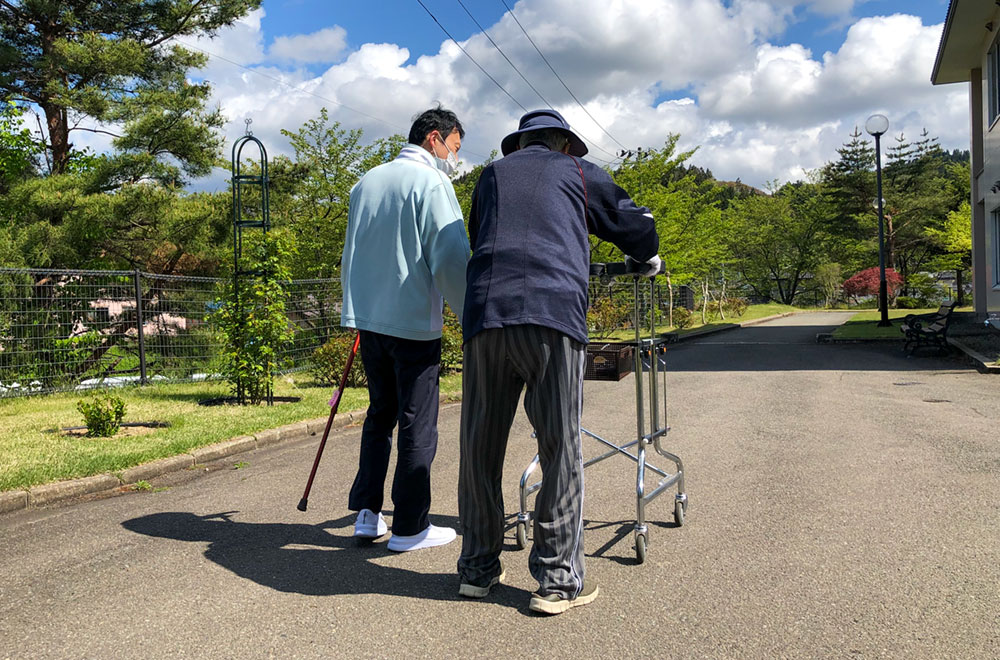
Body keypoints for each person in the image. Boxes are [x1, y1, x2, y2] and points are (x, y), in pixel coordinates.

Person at [456, 109, 661, 613]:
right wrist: (646, 256)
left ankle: (478, 570)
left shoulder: (490, 176)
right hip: (552, 316)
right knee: (560, 446)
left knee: (480, 446)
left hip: (485, 316)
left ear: (521, 144)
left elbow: (479, 236)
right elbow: (637, 229)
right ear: (564, 143)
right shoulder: (578, 172)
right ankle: (557, 581)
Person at [340, 106, 469, 552]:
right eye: (454, 148)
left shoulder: (366, 181)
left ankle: (367, 515)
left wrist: (356, 310)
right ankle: (411, 527)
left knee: (381, 416)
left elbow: (353, 251)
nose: (454, 158)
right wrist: (472, 315)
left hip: (370, 321)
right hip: (413, 322)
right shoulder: (431, 181)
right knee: (418, 422)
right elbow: (451, 255)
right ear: (434, 138)